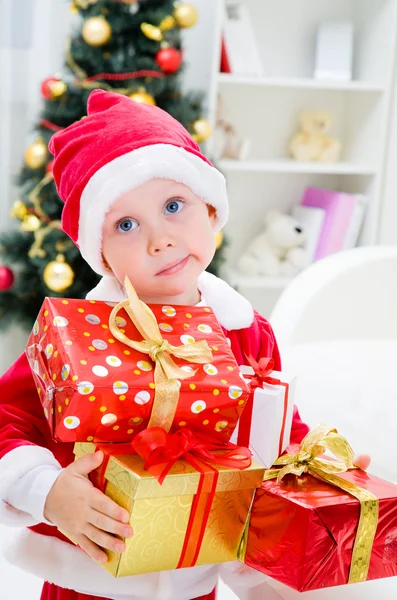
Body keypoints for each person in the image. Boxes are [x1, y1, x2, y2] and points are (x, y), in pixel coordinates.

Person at [0, 90, 368, 600]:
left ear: (211, 207)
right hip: (91, 575)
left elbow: (278, 430)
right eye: (125, 225)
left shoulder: (246, 331)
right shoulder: (74, 337)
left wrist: (325, 473)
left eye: (175, 206)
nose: (160, 240)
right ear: (100, 253)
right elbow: (6, 419)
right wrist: (45, 490)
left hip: (198, 569)